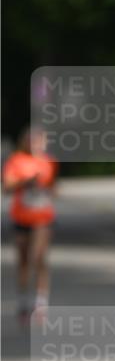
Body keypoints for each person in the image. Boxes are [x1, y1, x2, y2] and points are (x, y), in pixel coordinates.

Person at [1, 126, 59, 322]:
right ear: (25, 142)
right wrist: (26, 182)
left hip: (42, 217)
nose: (36, 144)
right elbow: (7, 187)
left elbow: (53, 188)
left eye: (39, 141)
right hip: (21, 217)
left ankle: (41, 303)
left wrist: (49, 190)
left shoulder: (49, 161)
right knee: (24, 260)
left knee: (39, 258)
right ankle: (23, 300)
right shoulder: (16, 160)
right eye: (32, 141)